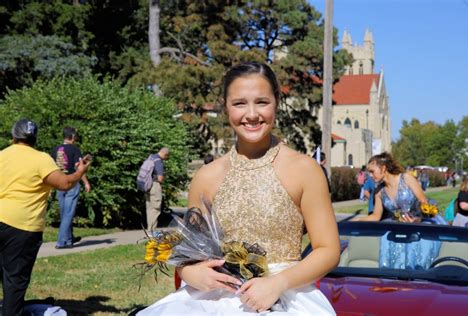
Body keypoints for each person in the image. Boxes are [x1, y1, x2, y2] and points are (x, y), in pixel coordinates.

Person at [138, 62, 339, 315]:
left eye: (262, 102)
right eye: (240, 103)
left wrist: (278, 283)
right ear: (225, 106)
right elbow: (189, 253)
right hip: (212, 300)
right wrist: (190, 271)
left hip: (285, 296)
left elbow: (328, 250)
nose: (252, 114)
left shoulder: (304, 170)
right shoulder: (206, 177)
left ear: (277, 102)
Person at [0, 119, 91, 315]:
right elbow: (65, 183)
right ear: (34, 138)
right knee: (15, 281)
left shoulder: (2, 155)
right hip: (23, 227)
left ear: (13, 136)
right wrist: (80, 172)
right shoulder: (40, 159)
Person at [354, 152, 443, 269]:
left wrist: (418, 219)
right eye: (369, 172)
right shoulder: (379, 192)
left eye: (372, 171)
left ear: (383, 168)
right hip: (398, 228)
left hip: (420, 225)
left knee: (416, 264)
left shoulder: (406, 178)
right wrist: (358, 220)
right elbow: (376, 216)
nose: (370, 175)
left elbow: (423, 201)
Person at [51, 127, 91, 249]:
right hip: (72, 184)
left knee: (64, 213)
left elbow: (52, 168)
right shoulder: (75, 149)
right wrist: (86, 183)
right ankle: (61, 242)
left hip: (59, 184)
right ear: (72, 137)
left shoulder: (56, 149)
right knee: (68, 214)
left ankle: (69, 240)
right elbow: (79, 169)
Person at [145, 147, 170, 232]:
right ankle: (152, 231)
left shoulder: (151, 158)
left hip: (147, 186)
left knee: (149, 209)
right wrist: (163, 178)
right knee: (155, 209)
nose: (166, 159)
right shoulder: (158, 161)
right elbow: (160, 178)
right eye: (167, 157)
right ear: (165, 154)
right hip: (155, 186)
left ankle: (149, 229)